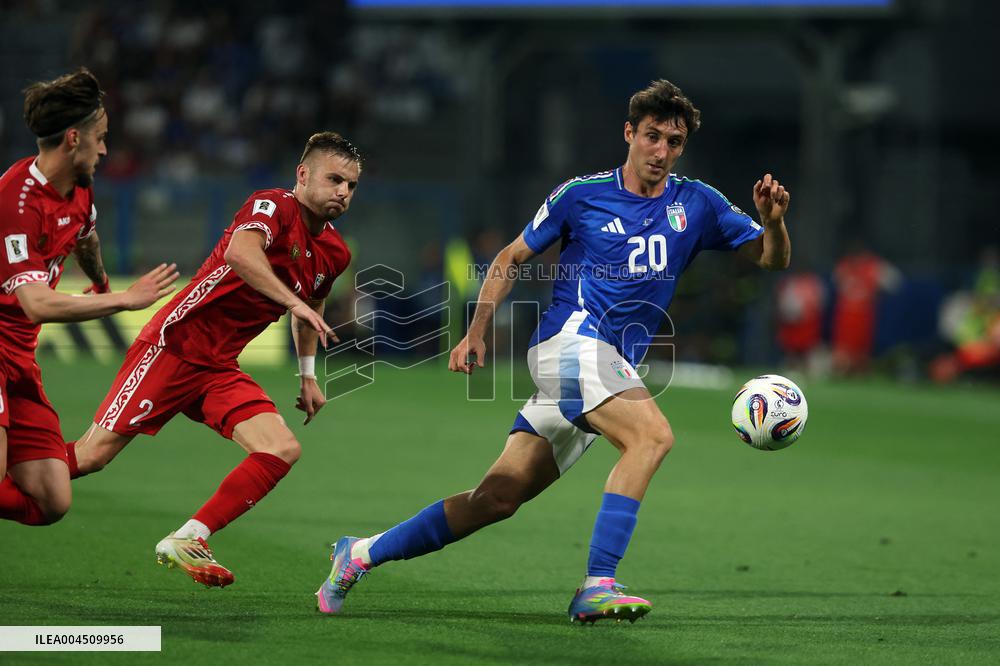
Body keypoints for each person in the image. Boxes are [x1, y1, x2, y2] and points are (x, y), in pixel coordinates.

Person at [316, 79, 792, 622]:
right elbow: (510, 257)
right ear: (629, 133)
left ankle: (359, 553)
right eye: (652, 136)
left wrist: (774, 223)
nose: (661, 151)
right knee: (652, 437)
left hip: (606, 368)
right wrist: (476, 330)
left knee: (495, 499)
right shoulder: (581, 195)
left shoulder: (698, 203)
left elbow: (770, 258)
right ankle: (598, 583)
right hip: (569, 345)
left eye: (674, 141)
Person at [68, 131, 361, 587]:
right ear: (303, 175)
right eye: (334, 179)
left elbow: (312, 309)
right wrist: (294, 303)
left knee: (281, 448)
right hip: (174, 346)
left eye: (351, 185)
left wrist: (308, 375)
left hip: (219, 366)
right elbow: (240, 254)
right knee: (91, 457)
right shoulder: (273, 206)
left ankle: (189, 537)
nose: (343, 191)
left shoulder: (335, 252)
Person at [0, 68, 179, 527]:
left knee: (51, 499)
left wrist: (99, 282)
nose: (104, 150)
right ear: (73, 138)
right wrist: (123, 299)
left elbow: (86, 236)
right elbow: (37, 304)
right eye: (100, 138)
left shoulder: (77, 187)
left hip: (19, 357)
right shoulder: (15, 203)